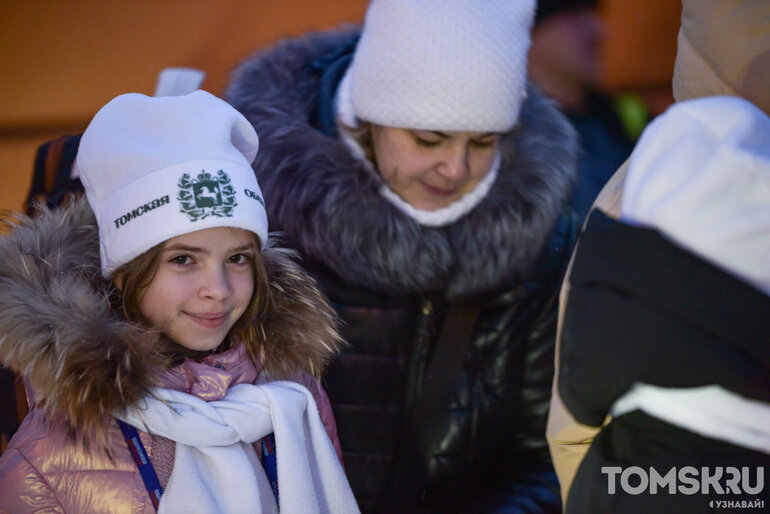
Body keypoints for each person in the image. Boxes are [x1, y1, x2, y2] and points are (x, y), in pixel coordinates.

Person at [225, 0, 577, 511]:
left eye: (482, 142)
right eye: (428, 139)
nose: (455, 169)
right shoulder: (252, 218)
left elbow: (547, 459)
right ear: (365, 120)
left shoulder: (539, 241)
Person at [0, 90, 359, 513]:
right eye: (184, 259)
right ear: (123, 272)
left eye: (237, 258)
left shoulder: (295, 392)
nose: (219, 289)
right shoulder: (46, 457)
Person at [545, 0, 770, 508]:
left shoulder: (643, 157)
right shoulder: (658, 175)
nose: (598, 27)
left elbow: (577, 425)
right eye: (575, 12)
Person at [528, 0, 642, 223]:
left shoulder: (622, 113)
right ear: (531, 29)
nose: (598, 30)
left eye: (592, 13)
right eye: (574, 14)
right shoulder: (503, 135)